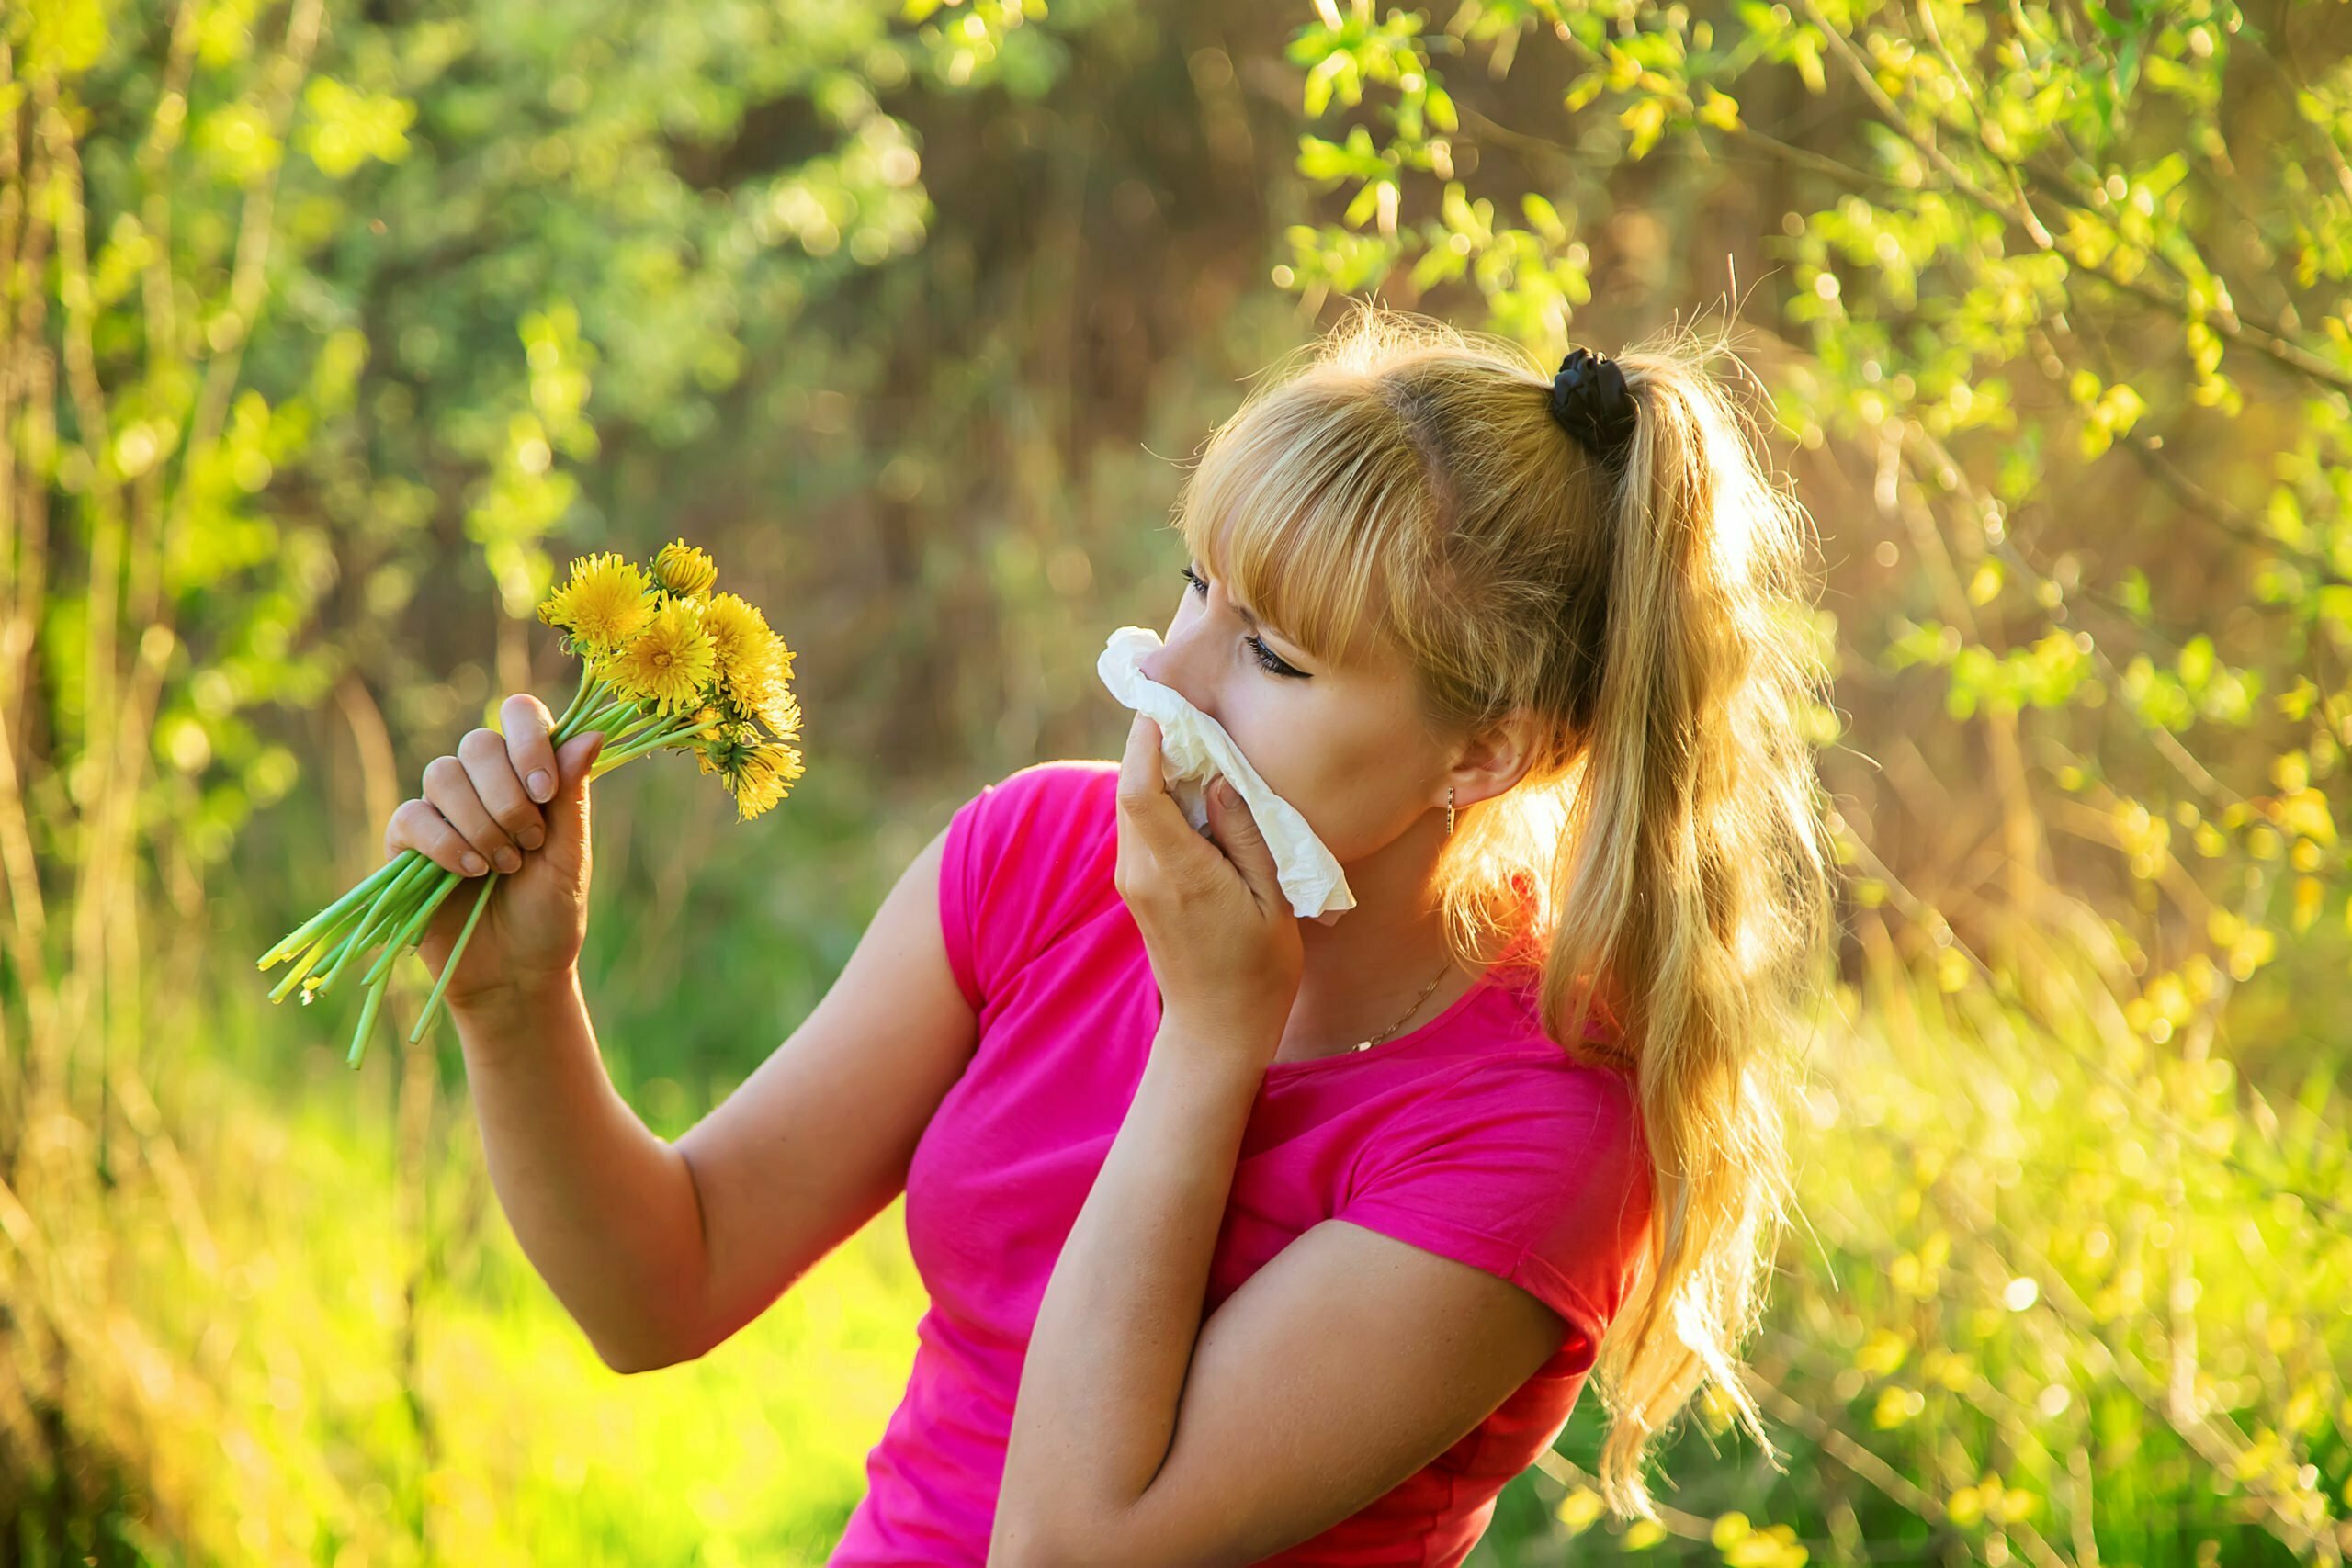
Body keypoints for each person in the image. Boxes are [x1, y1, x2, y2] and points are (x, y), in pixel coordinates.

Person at [381, 300, 1838, 1563]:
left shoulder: (1540, 1130)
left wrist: (1215, 1035)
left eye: (1273, 654)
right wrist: (518, 1008)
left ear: (1486, 755)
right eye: (1197, 585)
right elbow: (666, 1286)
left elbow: (1074, 1549)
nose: (1174, 672)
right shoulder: (1038, 858)